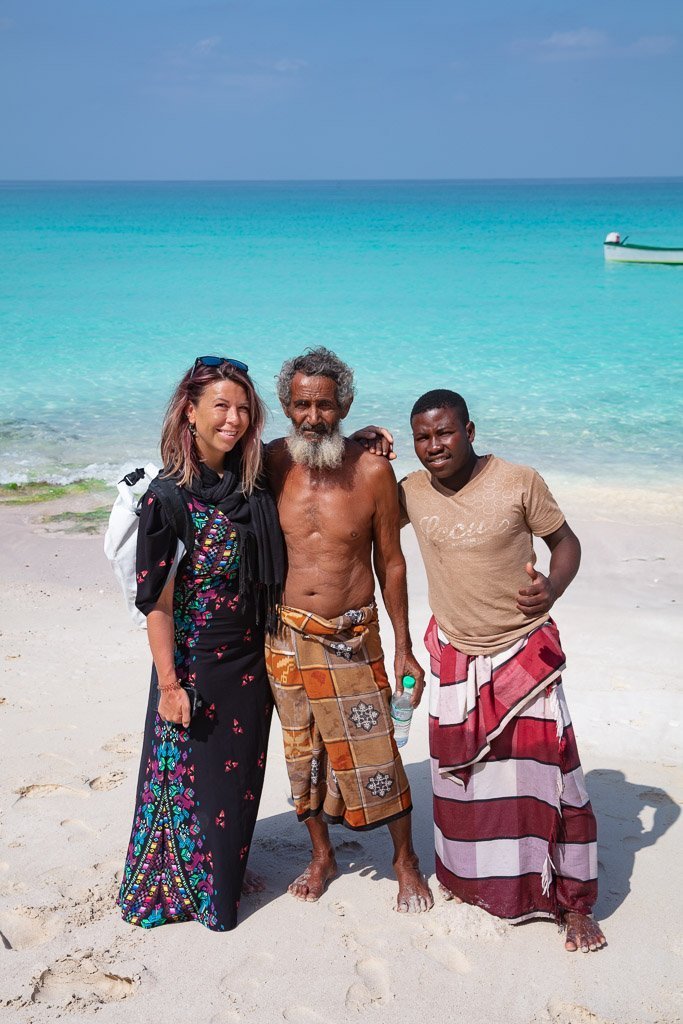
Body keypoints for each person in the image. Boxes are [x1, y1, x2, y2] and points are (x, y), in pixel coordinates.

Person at [390, 389, 605, 951]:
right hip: (456, 655)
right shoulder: (410, 491)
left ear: (470, 430)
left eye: (444, 432)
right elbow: (368, 526)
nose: (433, 446)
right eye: (422, 436)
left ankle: (572, 903)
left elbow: (566, 543)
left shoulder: (519, 481)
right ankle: (472, 882)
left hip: (521, 649)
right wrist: (364, 451)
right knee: (465, 786)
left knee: (550, 780)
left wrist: (552, 589)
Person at [117, 355, 285, 932]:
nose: (233, 419)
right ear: (190, 412)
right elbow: (157, 602)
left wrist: (362, 438)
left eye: (243, 408)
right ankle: (183, 892)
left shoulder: (252, 486)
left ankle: (224, 872)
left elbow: (307, 456)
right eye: (220, 406)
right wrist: (169, 683)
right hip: (195, 661)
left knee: (237, 782)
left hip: (251, 658)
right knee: (189, 777)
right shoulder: (167, 499)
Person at [264, 347, 433, 913]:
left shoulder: (372, 471)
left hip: (352, 636)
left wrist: (405, 648)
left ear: (345, 406)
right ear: (286, 406)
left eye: (327, 406)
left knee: (376, 750)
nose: (314, 417)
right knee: (302, 752)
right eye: (303, 404)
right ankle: (322, 856)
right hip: (285, 636)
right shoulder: (268, 464)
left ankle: (404, 861)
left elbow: (392, 562)